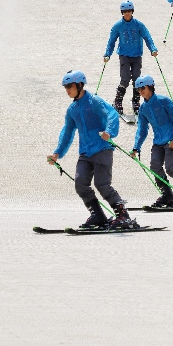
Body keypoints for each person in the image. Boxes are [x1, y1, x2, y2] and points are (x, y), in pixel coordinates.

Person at [47, 70, 134, 229]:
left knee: (102, 184)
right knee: (80, 184)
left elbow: (112, 114)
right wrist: (57, 153)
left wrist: (109, 131)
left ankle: (123, 216)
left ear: (80, 85)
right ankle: (98, 215)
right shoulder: (72, 110)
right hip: (85, 153)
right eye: (65, 87)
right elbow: (67, 132)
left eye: (70, 86)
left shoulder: (94, 101)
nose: (67, 90)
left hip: (102, 149)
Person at [130, 75, 173, 208]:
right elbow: (142, 129)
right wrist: (136, 148)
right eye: (138, 89)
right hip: (158, 142)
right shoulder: (143, 108)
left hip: (171, 141)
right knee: (155, 168)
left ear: (150, 87)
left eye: (143, 88)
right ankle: (168, 196)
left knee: (171, 168)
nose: (141, 91)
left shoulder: (164, 101)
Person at [103, 0, 158, 116]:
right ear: (122, 12)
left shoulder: (139, 25)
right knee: (125, 78)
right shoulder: (118, 26)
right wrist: (107, 54)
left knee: (137, 79)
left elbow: (147, 37)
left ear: (132, 11)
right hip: (124, 55)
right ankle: (117, 101)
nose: (127, 13)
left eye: (129, 11)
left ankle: (136, 101)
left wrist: (153, 49)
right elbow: (111, 42)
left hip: (137, 55)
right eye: (124, 11)